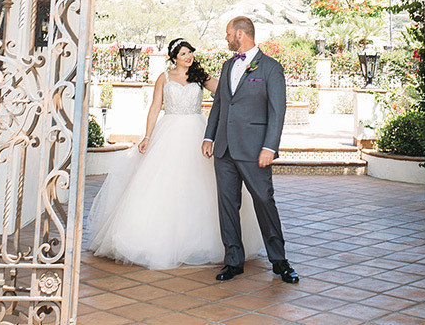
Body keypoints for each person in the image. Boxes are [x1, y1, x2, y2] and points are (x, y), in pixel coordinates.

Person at [88, 38, 263, 269]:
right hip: (168, 133)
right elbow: (155, 107)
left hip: (197, 132)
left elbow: (228, 89)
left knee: (202, 185)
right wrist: (147, 136)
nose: (188, 57)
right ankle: (159, 241)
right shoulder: (164, 78)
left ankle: (205, 242)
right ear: (173, 58)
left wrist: (248, 78)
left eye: (190, 52)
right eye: (183, 54)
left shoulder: (200, 76)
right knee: (164, 185)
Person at [202, 16, 299, 283]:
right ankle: (233, 261)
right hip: (224, 149)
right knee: (227, 205)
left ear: (240, 34)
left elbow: (277, 111)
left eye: (228, 34)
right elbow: (220, 105)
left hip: (256, 150)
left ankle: (279, 261)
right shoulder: (227, 66)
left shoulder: (271, 68)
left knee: (264, 202)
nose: (226, 38)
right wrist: (209, 136)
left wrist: (270, 147)